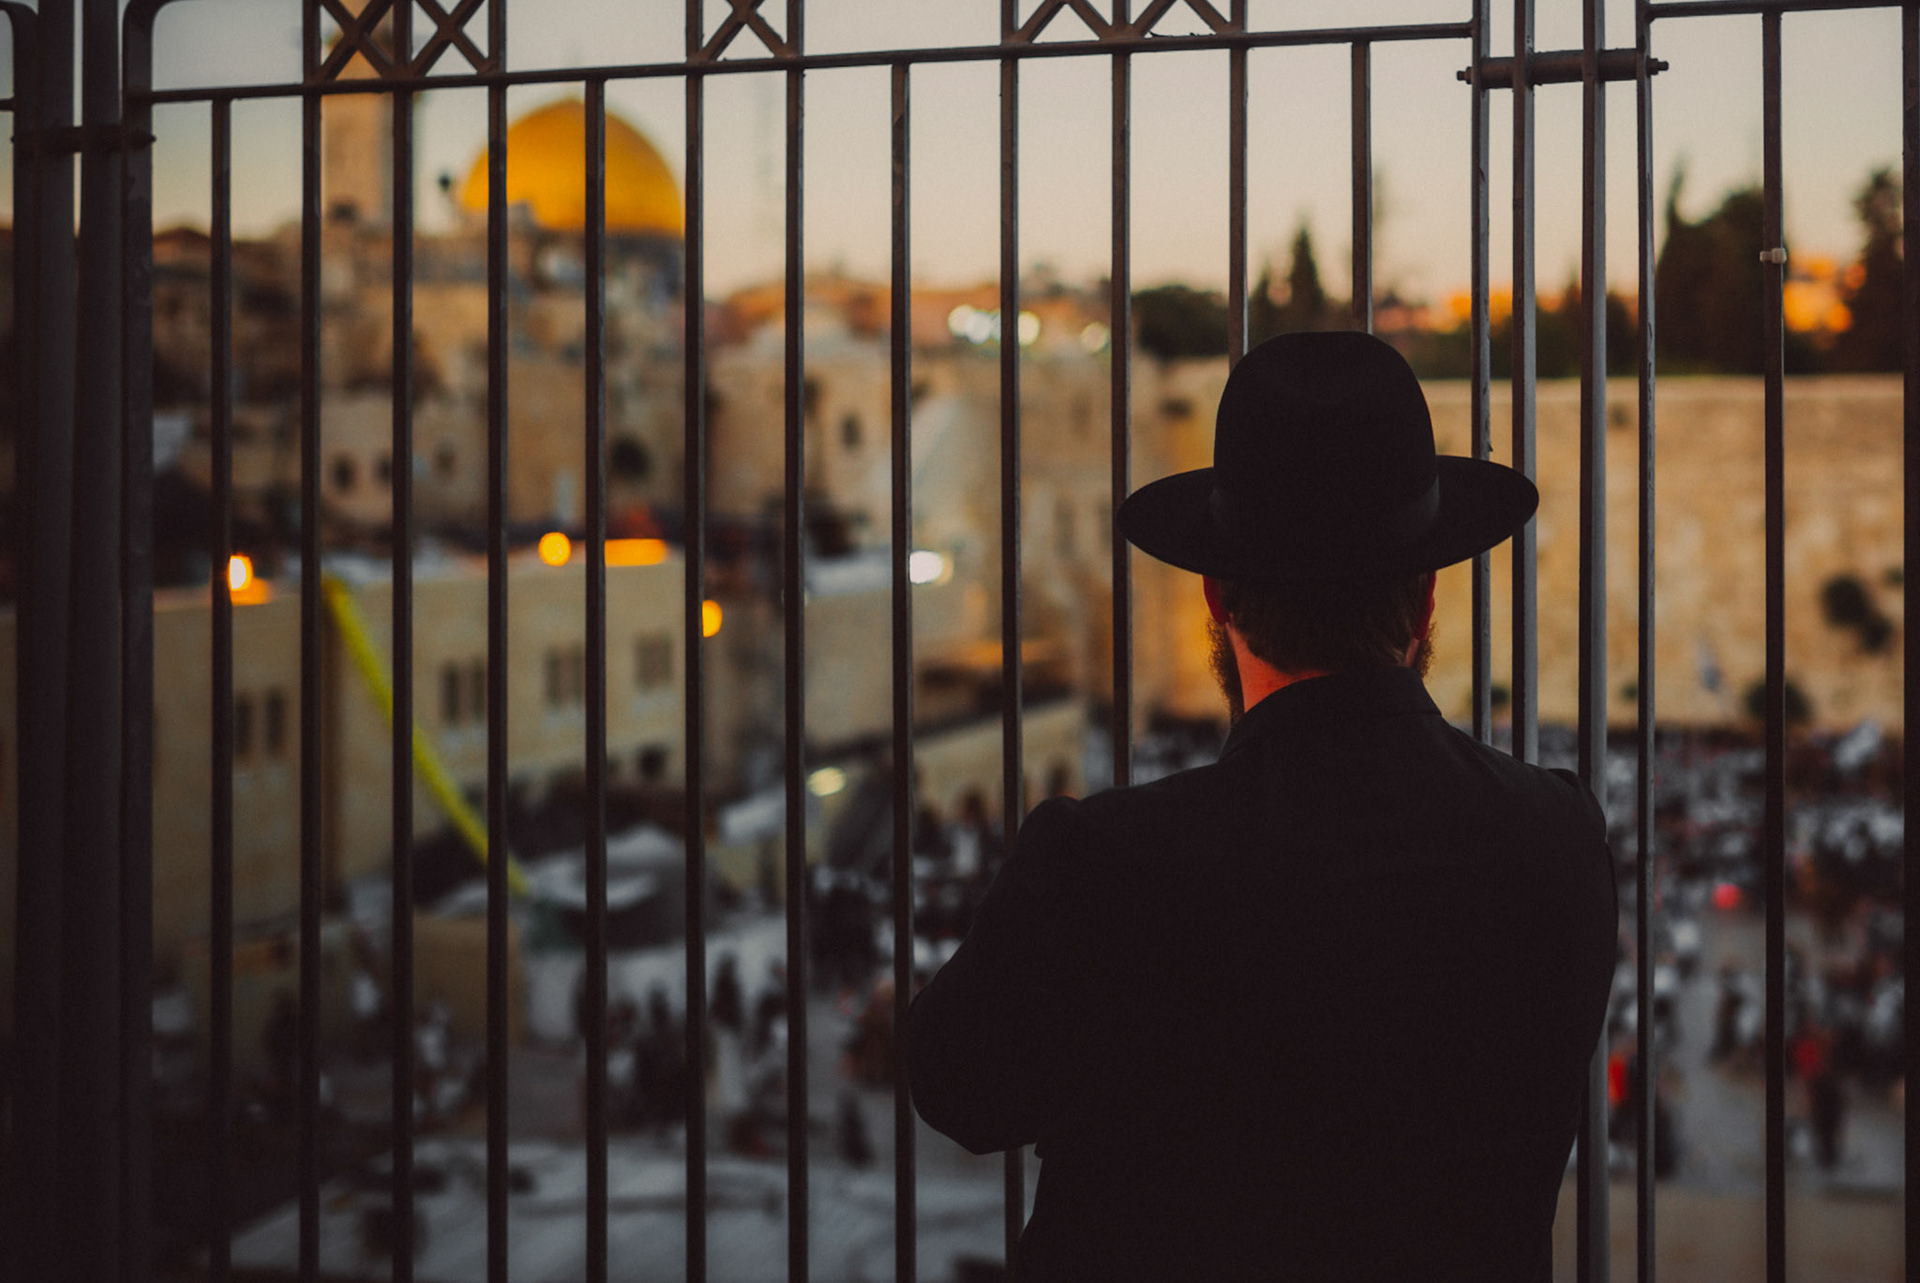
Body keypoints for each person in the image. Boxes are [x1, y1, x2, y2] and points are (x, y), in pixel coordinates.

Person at [905, 332, 1618, 1281]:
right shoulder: (1560, 841)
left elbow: (957, 1086)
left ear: (1215, 598)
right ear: (1426, 602)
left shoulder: (1110, 865)